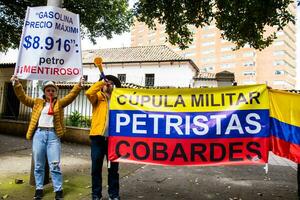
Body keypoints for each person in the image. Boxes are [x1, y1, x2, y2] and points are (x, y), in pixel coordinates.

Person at [10, 75, 84, 200]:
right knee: (39, 165)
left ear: (56, 92)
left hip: (53, 136)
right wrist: (17, 84)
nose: (50, 92)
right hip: (39, 135)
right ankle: (39, 189)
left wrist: (79, 85)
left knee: (54, 165)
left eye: (53, 90)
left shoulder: (59, 103)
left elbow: (71, 96)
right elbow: (22, 97)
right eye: (48, 90)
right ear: (44, 91)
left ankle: (58, 190)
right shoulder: (37, 102)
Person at [85, 75, 122, 200]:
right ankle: (96, 195)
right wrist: (101, 82)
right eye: (107, 82)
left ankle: (114, 195)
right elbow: (88, 92)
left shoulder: (119, 99)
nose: (109, 84)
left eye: (111, 83)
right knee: (96, 168)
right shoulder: (97, 97)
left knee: (113, 169)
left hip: (113, 140)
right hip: (97, 138)